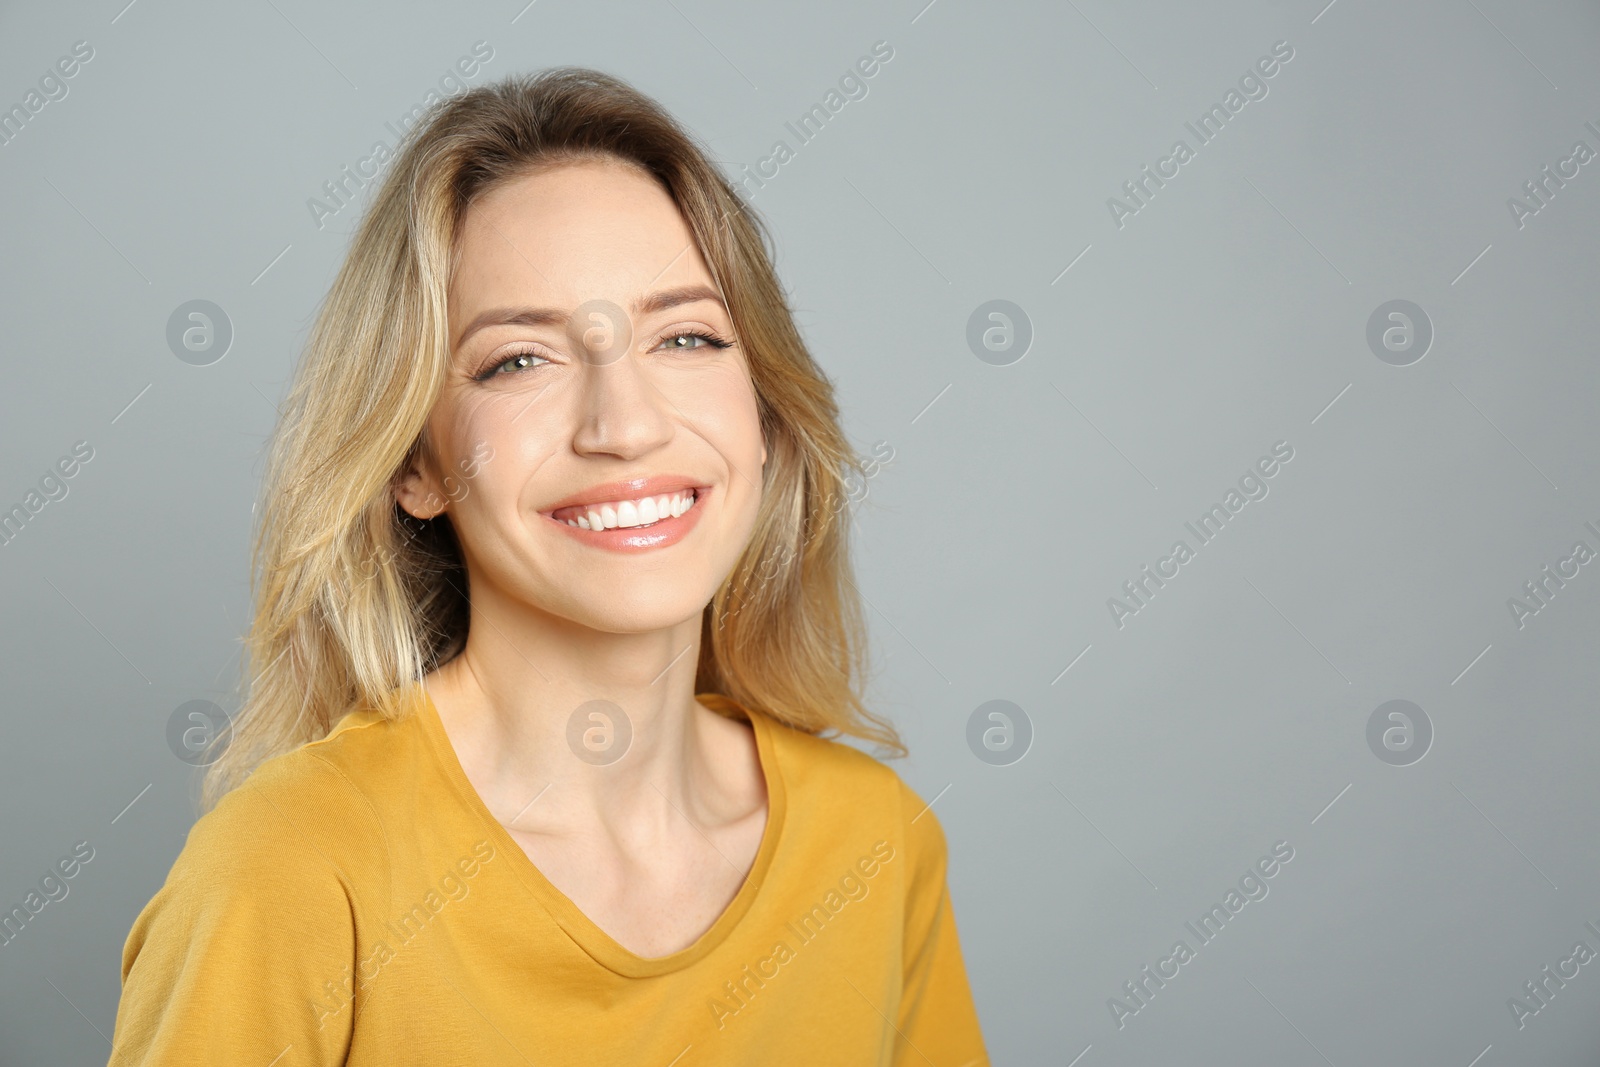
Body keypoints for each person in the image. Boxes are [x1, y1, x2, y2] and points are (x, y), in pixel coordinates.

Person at [108, 67, 987, 1066]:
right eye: (519, 359)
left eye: (686, 335)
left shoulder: (874, 842)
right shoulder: (287, 874)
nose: (626, 423)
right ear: (415, 463)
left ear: (767, 415)